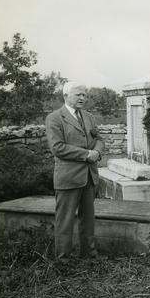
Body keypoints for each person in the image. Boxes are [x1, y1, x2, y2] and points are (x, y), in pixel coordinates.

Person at [45, 81, 103, 261]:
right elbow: (57, 148)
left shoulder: (89, 117)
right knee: (65, 221)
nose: (83, 98)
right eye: (78, 94)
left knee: (88, 219)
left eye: (84, 95)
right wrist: (87, 154)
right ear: (65, 96)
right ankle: (63, 261)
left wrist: (97, 152)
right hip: (68, 177)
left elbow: (99, 139)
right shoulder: (55, 118)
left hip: (89, 176)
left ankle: (89, 256)